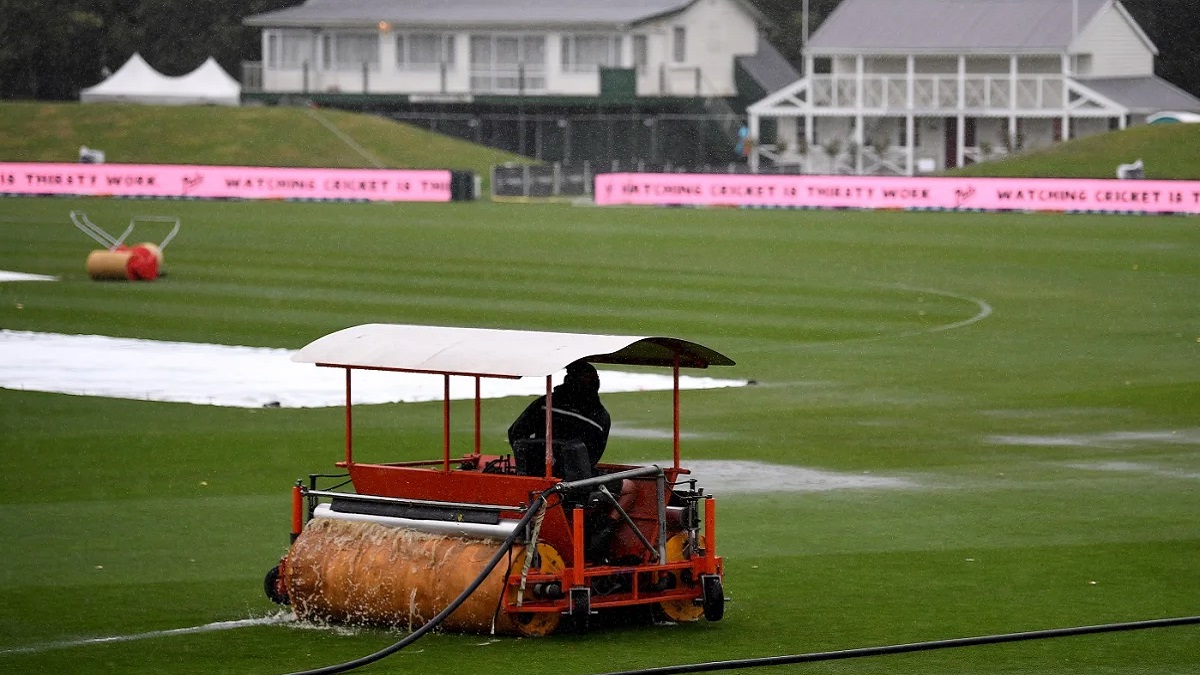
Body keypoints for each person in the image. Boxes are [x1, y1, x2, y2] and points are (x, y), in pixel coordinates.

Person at [508, 360, 610, 478]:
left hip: (537, 473)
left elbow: (515, 433)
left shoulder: (545, 404)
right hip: (576, 481)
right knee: (630, 487)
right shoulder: (600, 417)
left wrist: (530, 463)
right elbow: (592, 457)